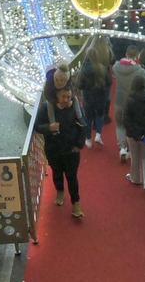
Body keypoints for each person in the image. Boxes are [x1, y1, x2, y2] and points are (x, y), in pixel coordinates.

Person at [34, 85, 85, 218]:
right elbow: (37, 126)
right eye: (63, 96)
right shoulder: (46, 108)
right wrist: (49, 127)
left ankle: (76, 204)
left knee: (72, 176)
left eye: (69, 96)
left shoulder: (75, 106)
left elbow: (83, 124)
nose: (67, 99)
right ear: (57, 96)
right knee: (57, 172)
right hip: (54, 149)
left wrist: (79, 144)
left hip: (71, 149)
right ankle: (60, 190)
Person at [123, 75, 145, 192]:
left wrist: (135, 134)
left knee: (135, 157)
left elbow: (126, 120)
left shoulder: (129, 100)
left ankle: (136, 178)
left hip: (132, 134)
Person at [112, 46, 145, 162]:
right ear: (137, 56)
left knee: (120, 125)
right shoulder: (140, 71)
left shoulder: (116, 67)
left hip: (119, 101)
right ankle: (131, 150)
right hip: (133, 103)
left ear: (126, 54)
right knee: (131, 126)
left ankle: (122, 148)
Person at [78, 39, 112, 147]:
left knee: (88, 118)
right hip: (100, 97)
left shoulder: (83, 70)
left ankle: (88, 139)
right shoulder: (102, 68)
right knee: (99, 116)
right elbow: (109, 82)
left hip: (88, 98)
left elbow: (79, 85)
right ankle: (98, 134)